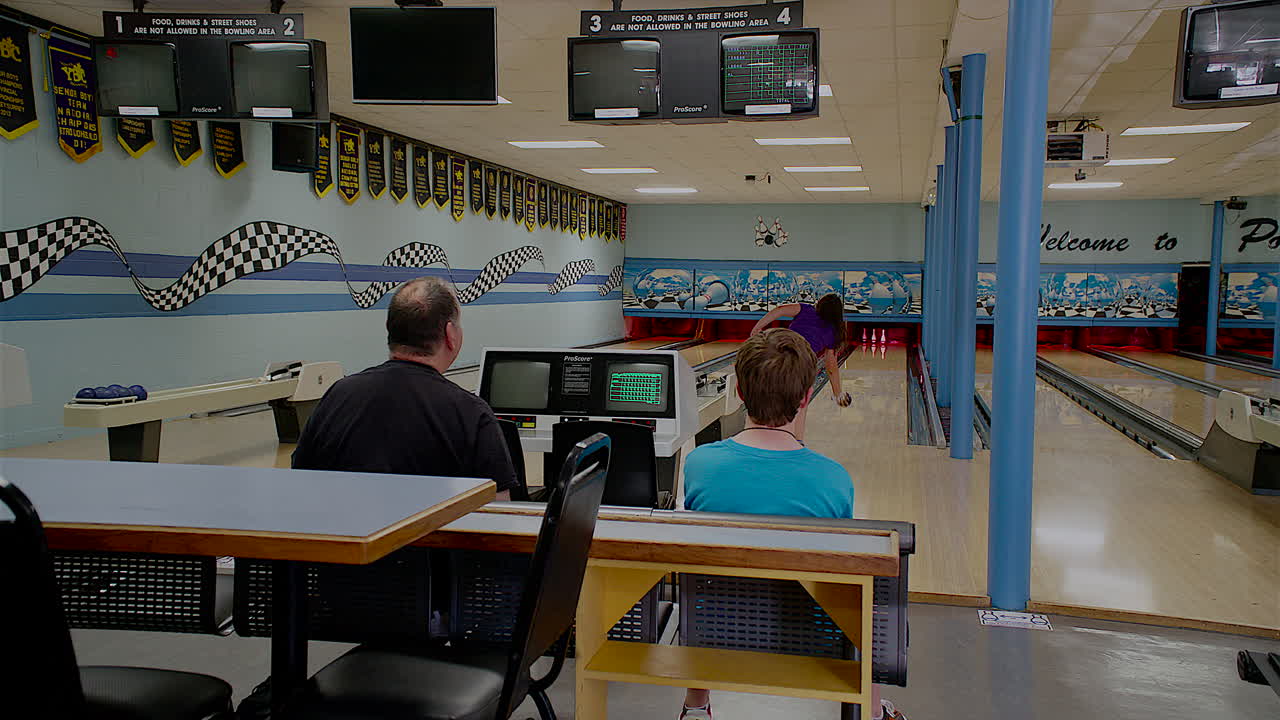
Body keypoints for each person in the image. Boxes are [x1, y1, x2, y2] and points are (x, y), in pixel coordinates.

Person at [677, 329, 906, 720]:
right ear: (805, 398)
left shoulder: (700, 464)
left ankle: (696, 706)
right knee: (866, 596)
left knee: (706, 582)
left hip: (713, 631)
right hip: (811, 637)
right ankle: (872, 711)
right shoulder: (833, 478)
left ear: (740, 392)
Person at [292, 276, 518, 501]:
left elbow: (300, 479)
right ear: (450, 334)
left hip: (346, 523)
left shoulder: (337, 395)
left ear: (390, 330)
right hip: (435, 527)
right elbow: (498, 510)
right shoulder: (471, 413)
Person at [749, 293, 851, 407]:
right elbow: (831, 366)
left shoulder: (806, 309)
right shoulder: (833, 331)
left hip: (780, 351)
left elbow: (780, 310)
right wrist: (838, 393)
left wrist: (757, 328)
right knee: (795, 402)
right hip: (802, 364)